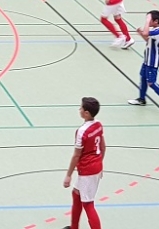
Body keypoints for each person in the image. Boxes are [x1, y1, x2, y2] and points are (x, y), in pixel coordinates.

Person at [62, 97, 105, 229]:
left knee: (88, 204)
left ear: (86, 113)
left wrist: (68, 175)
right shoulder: (98, 125)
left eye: (81, 108)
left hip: (87, 171)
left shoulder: (81, 132)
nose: (79, 109)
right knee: (76, 194)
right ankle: (74, 226)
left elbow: (76, 155)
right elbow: (103, 147)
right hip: (96, 167)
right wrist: (99, 163)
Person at [128, 10, 159, 115]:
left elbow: (146, 33)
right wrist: (141, 33)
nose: (148, 21)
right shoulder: (154, 30)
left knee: (151, 83)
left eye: (149, 20)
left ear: (156, 21)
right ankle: (142, 99)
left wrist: (146, 22)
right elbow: (147, 38)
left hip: (153, 62)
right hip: (147, 60)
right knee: (143, 78)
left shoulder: (158, 31)